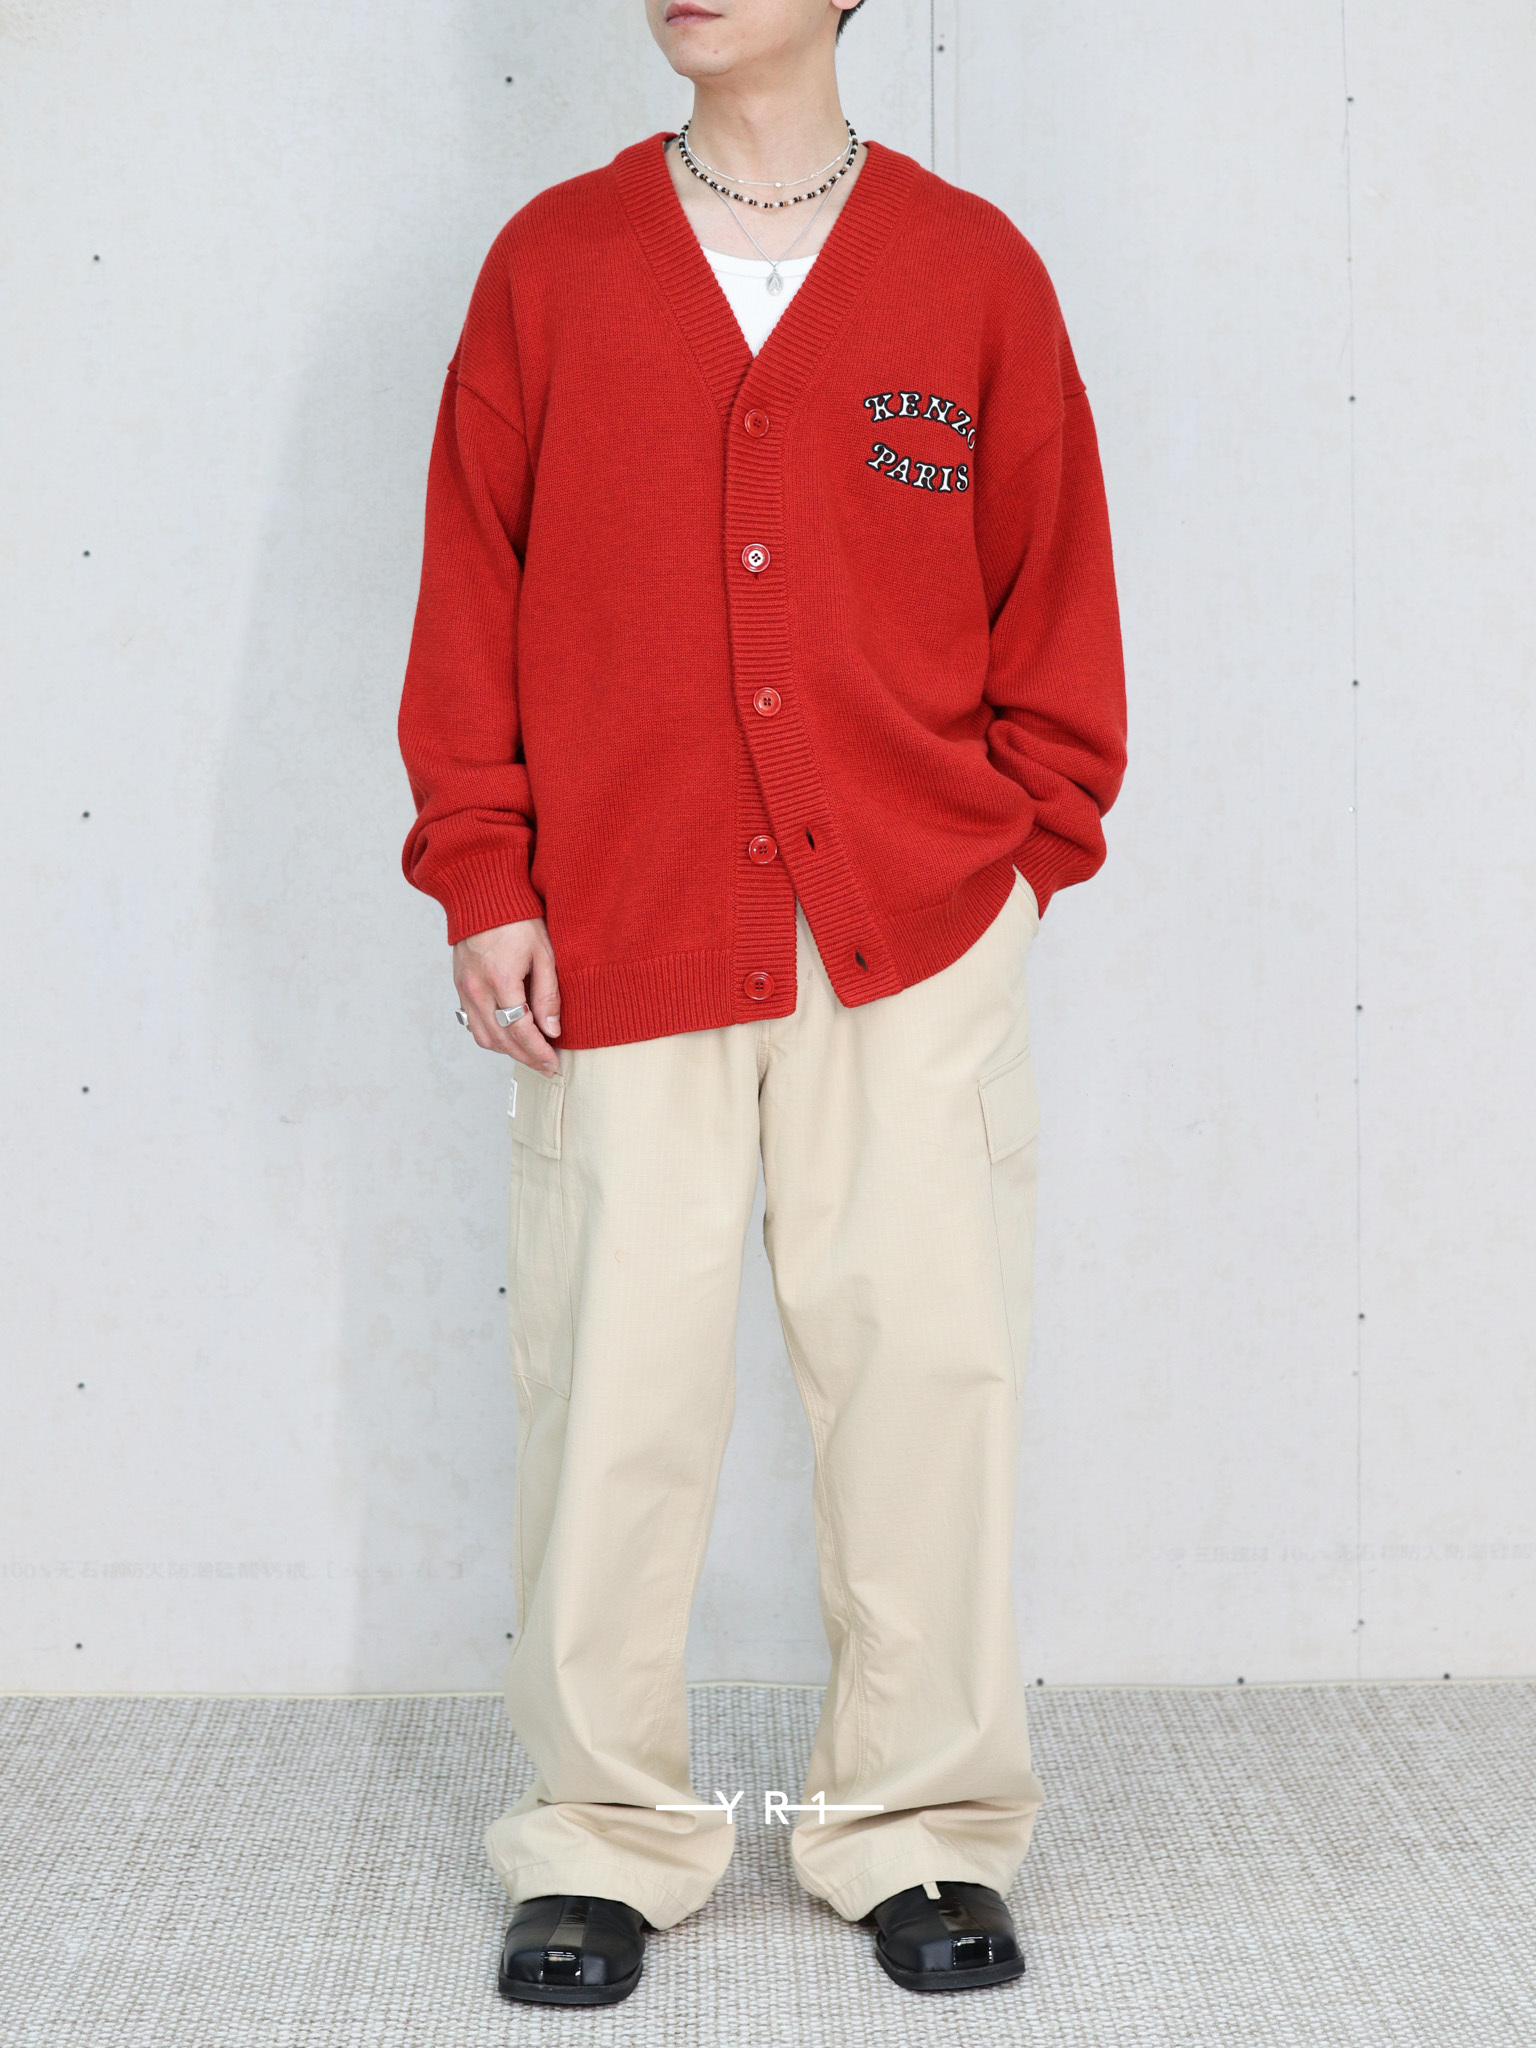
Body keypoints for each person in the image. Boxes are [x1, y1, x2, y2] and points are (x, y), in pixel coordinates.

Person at [397, 0, 1126, 2009]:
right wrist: (484, 870)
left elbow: (1056, 598)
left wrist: (1023, 867)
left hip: (915, 935)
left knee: (927, 1376)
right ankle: (603, 1839)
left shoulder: (973, 275)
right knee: (610, 1384)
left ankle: (919, 1824)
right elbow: (469, 590)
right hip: (620, 925)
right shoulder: (555, 266)